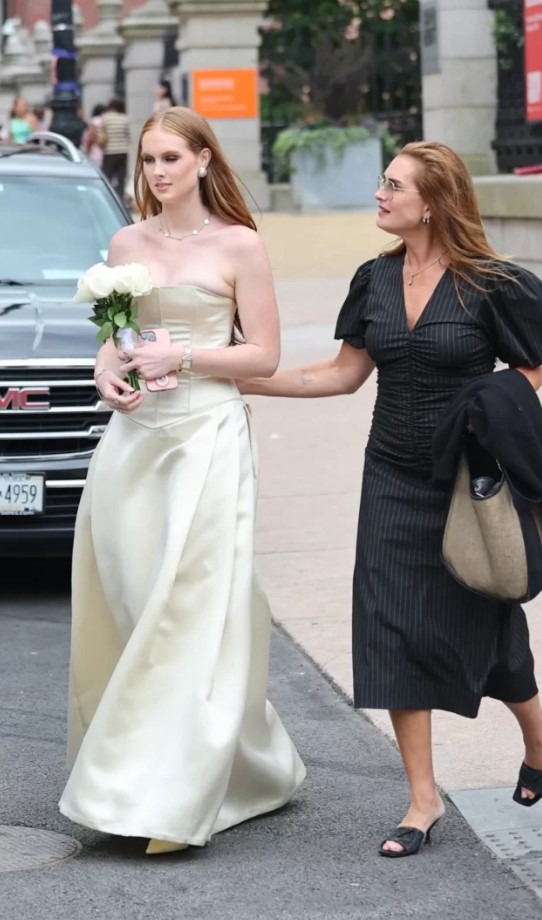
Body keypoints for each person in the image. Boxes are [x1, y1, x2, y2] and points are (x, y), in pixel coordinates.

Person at [238, 141, 542, 858]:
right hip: (390, 474)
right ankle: (422, 799)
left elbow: (528, 374)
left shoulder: (491, 285)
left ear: (434, 202)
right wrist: (242, 381)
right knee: (390, 624)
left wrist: (487, 411)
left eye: (393, 186)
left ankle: (540, 730)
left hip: (464, 481)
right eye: (383, 183)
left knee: (483, 616)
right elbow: (340, 374)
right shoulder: (375, 280)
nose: (379, 195)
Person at [59, 106, 306, 855]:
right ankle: (235, 759)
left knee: (188, 608)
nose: (157, 173)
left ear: (203, 159)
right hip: (135, 441)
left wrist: (188, 361)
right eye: (147, 161)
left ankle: (163, 795)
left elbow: (261, 355)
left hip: (207, 436)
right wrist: (108, 378)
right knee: (134, 602)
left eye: (170, 158)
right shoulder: (125, 242)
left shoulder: (240, 244)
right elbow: (114, 344)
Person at [101, 97, 131, 202]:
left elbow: (102, 134)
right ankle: (121, 196)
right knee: (121, 176)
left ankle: (107, 196)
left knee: (107, 175)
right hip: (123, 150)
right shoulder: (124, 118)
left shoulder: (106, 118)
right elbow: (128, 135)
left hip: (109, 151)